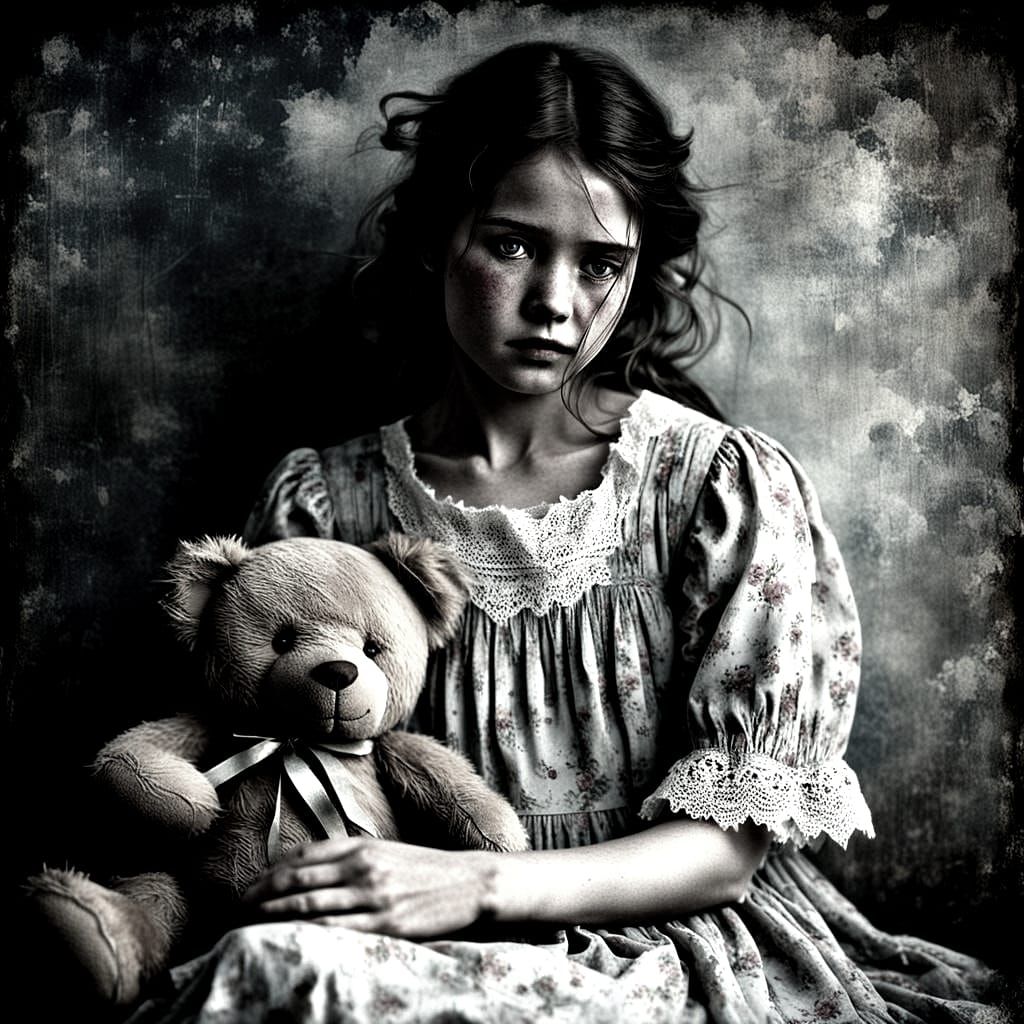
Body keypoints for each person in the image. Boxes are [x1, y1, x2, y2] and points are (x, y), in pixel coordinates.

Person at [126, 41, 1007, 1024]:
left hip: (667, 943)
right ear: (437, 238)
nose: (554, 303)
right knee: (269, 976)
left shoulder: (713, 486)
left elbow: (727, 853)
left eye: (599, 264)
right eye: (511, 245)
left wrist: (477, 883)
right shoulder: (328, 506)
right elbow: (266, 786)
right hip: (402, 939)